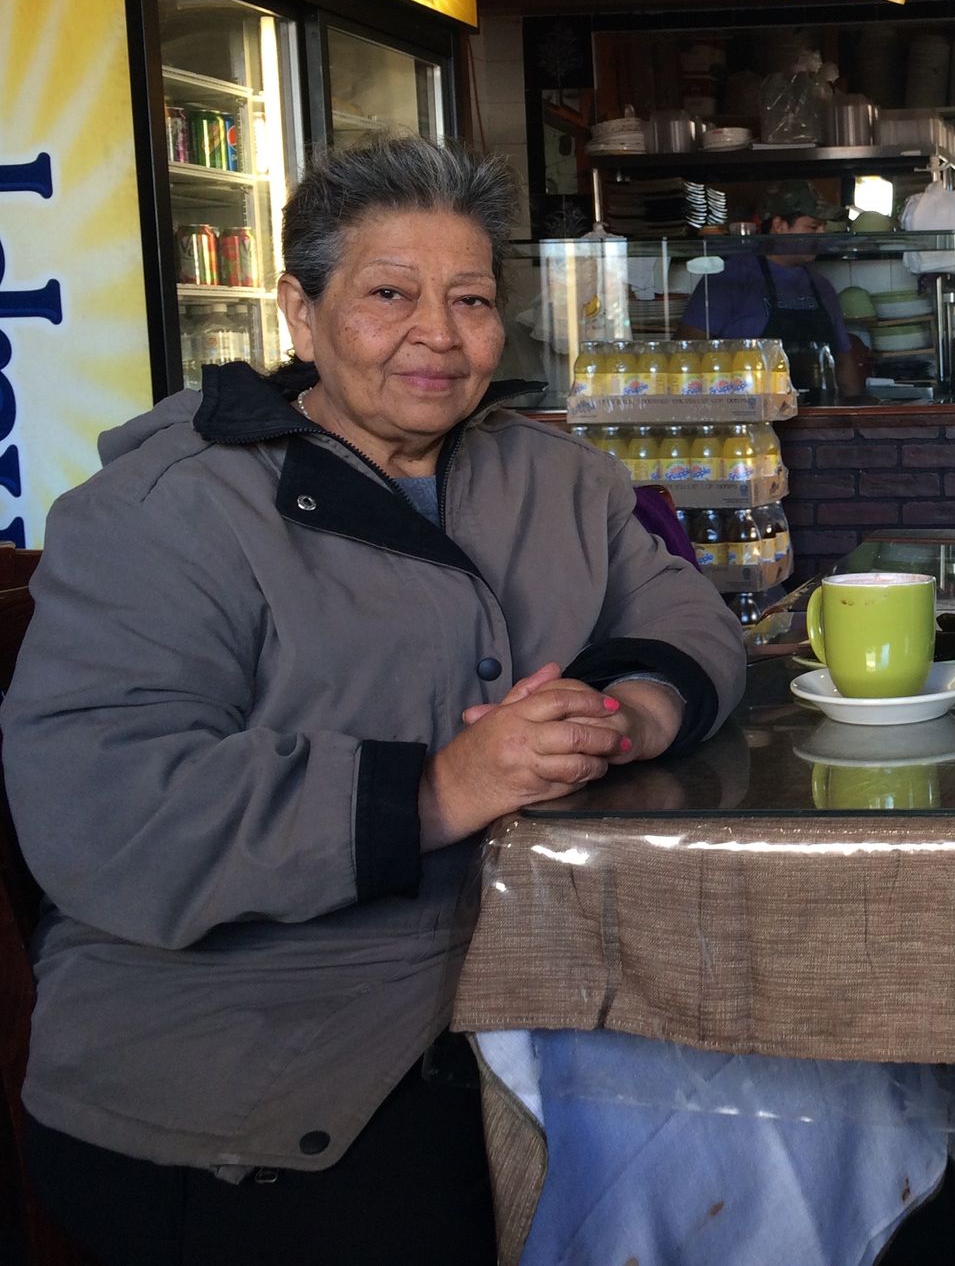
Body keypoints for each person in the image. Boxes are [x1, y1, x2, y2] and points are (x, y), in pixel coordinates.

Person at [3, 137, 747, 1264]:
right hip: (255, 1056)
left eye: (471, 300)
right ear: (299, 313)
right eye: (389, 295)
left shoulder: (556, 477)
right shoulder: (166, 510)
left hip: (525, 987)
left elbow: (689, 622)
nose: (438, 336)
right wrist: (442, 786)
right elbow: (105, 804)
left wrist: (627, 710)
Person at [681, 179, 864, 398]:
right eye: (813, 227)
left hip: (817, 422)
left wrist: (856, 412)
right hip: (750, 420)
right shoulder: (730, 278)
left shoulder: (821, 287)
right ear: (779, 225)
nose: (821, 235)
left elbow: (842, 361)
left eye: (825, 227)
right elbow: (688, 353)